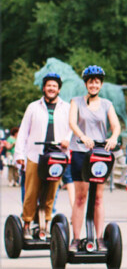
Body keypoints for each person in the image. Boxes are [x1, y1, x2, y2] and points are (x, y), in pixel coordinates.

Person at [69, 65, 121, 252]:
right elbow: (72, 122)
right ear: (86, 83)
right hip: (80, 151)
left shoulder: (107, 104)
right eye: (90, 81)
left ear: (101, 84)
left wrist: (114, 137)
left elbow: (115, 125)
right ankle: (75, 239)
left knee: (98, 197)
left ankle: (98, 238)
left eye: (97, 82)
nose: (94, 84)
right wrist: (82, 136)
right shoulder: (76, 101)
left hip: (99, 154)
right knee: (81, 197)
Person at [14, 73, 72, 240]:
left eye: (54, 86)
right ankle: (26, 224)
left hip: (57, 157)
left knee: (51, 192)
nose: (51, 88)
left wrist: (67, 140)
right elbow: (23, 131)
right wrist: (19, 154)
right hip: (35, 155)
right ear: (44, 88)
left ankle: (45, 225)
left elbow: (72, 129)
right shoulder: (33, 107)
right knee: (31, 191)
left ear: (59, 89)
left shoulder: (67, 108)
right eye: (48, 86)